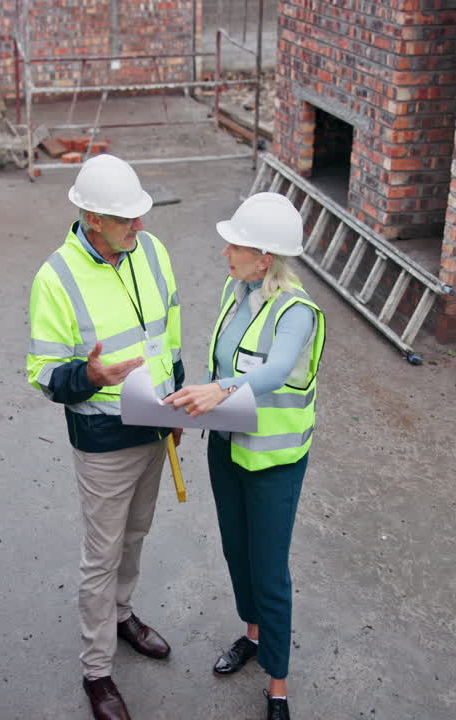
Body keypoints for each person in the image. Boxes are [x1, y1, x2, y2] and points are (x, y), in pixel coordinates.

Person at [26, 154, 185, 720]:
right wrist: (89, 375)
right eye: (125, 220)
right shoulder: (56, 278)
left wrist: (179, 406)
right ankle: (97, 671)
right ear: (91, 217)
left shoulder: (153, 251)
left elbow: (170, 334)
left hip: (157, 428)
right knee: (102, 555)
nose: (138, 227)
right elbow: (45, 375)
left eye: (140, 216)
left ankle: (122, 615)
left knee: (137, 534)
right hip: (103, 439)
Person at [164, 192, 324, 720]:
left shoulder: (297, 313)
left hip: (274, 464)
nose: (225, 252)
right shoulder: (238, 293)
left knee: (270, 569)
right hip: (228, 449)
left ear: (266, 259)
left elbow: (276, 371)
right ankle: (252, 636)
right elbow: (222, 360)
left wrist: (220, 390)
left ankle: (277, 685)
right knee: (237, 550)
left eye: (237, 245)